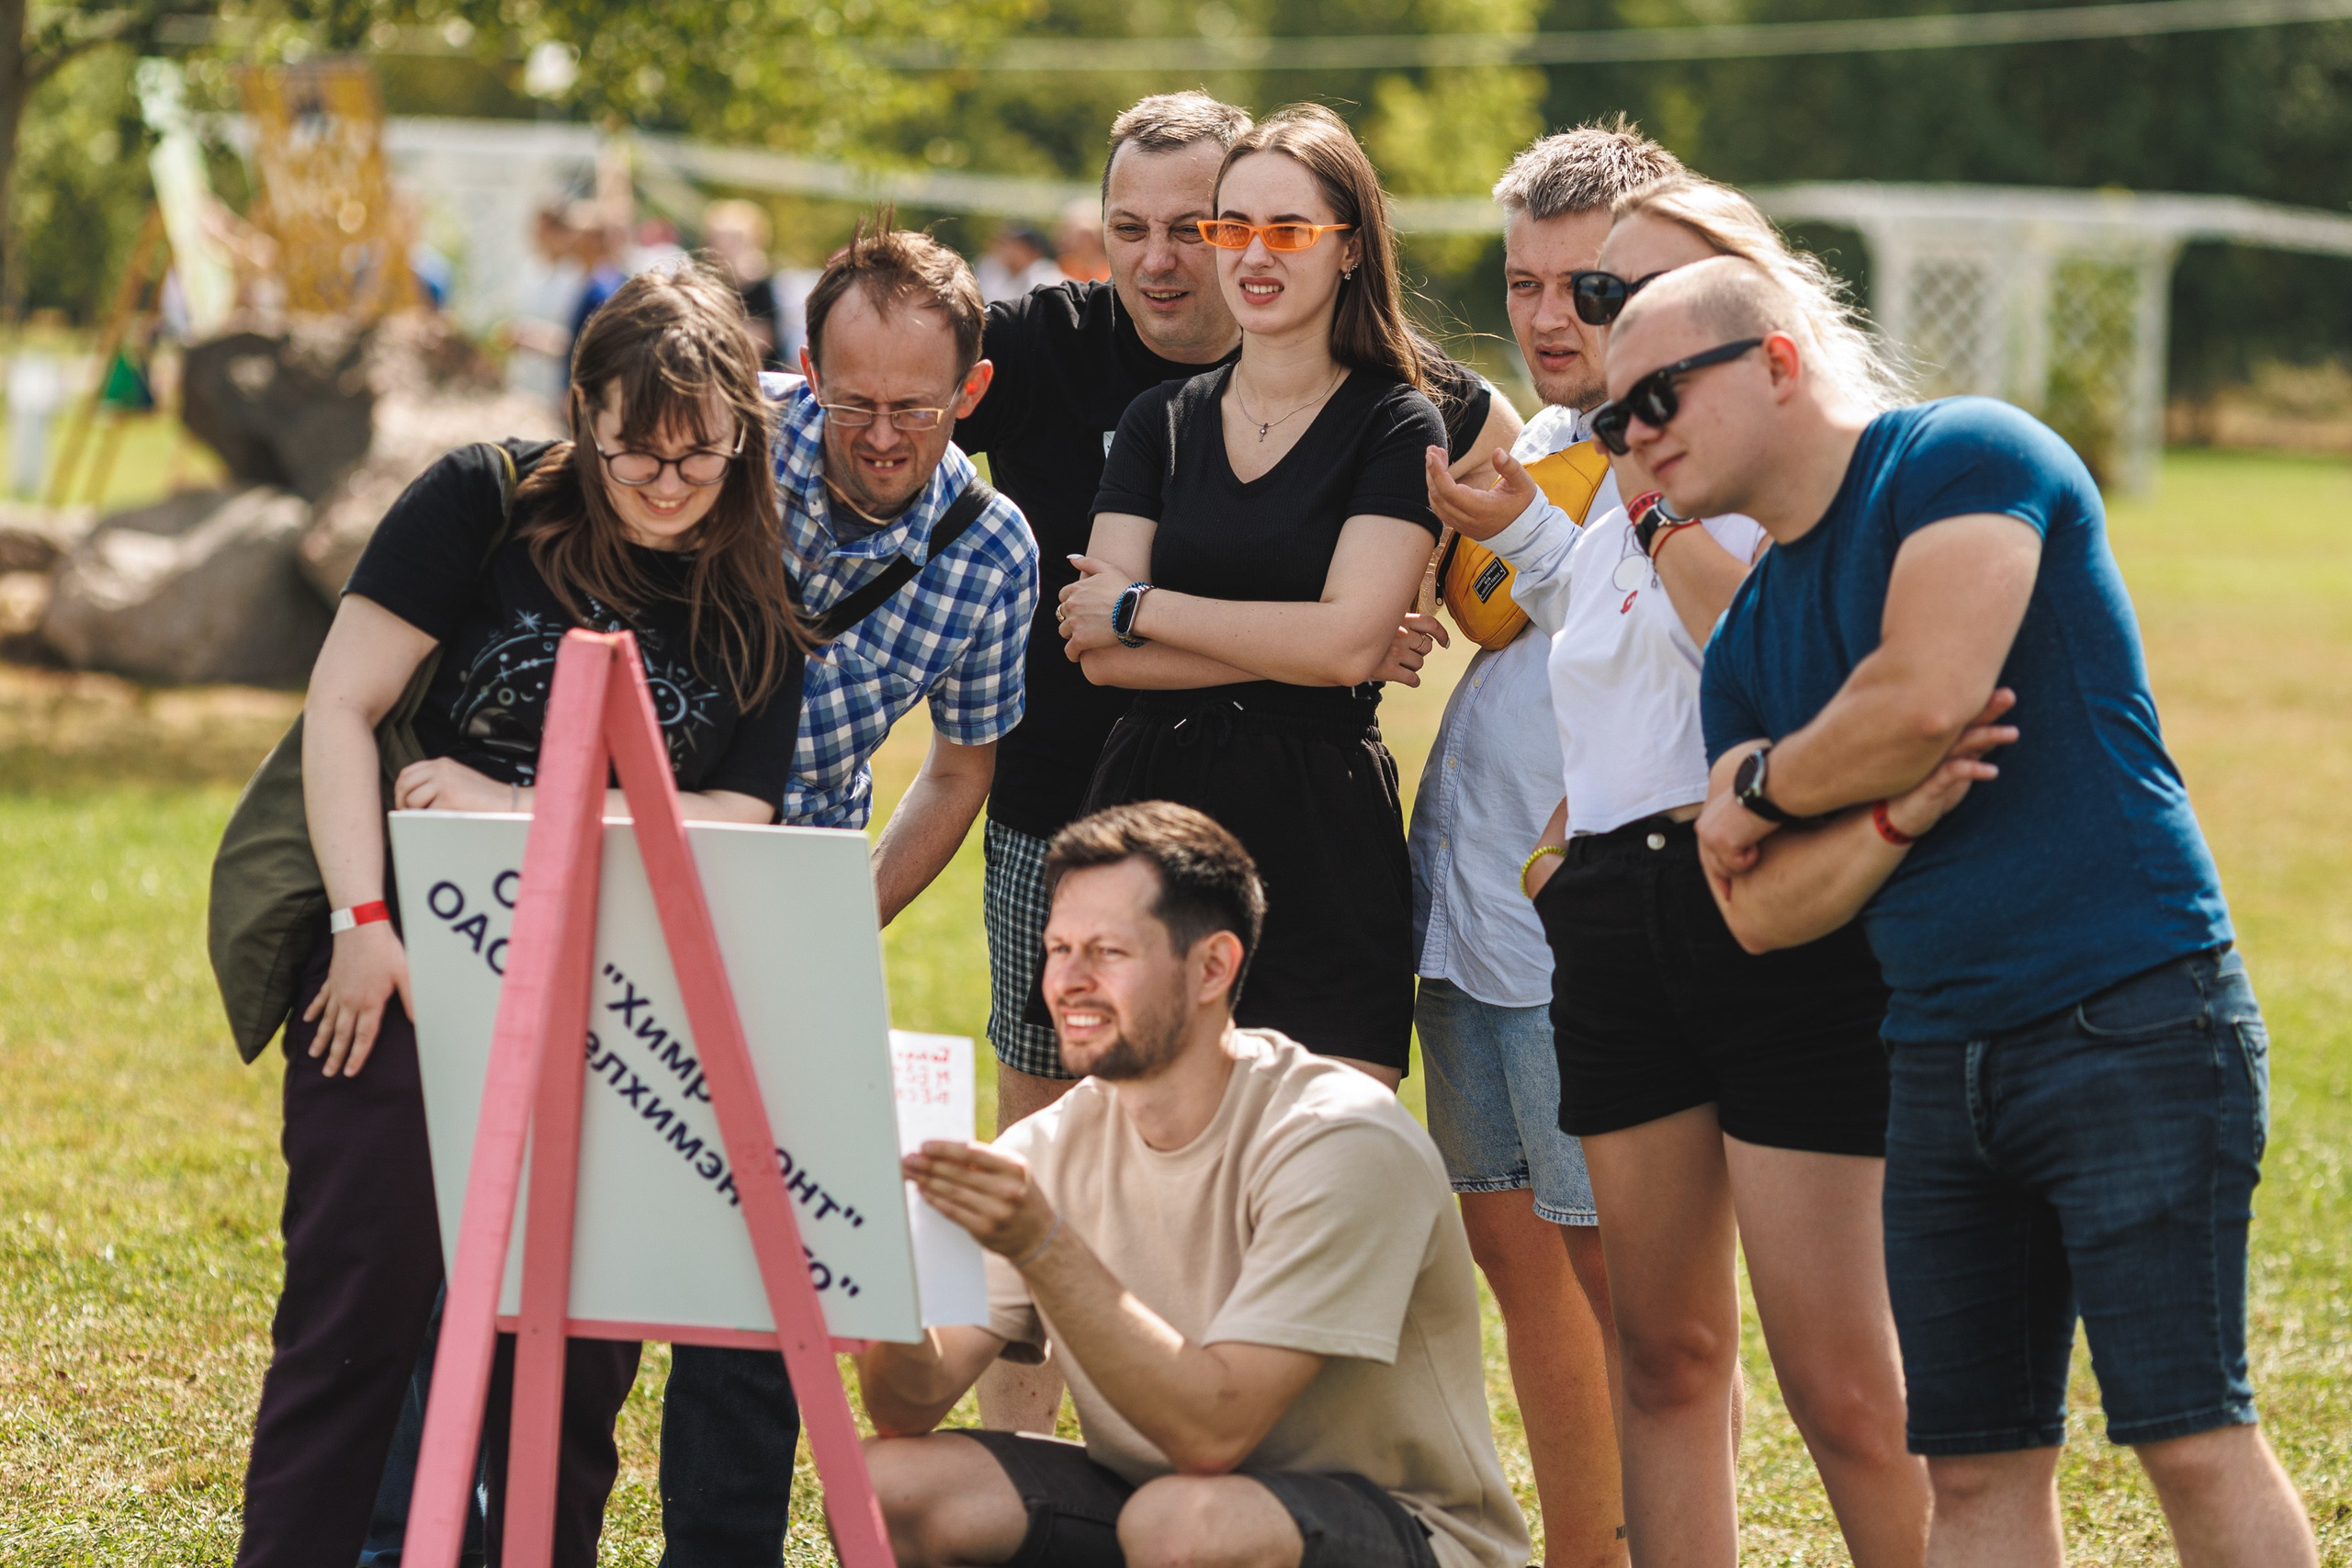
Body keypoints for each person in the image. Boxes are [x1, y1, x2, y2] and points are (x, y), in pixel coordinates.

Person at [1622, 256, 2319, 1567]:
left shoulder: (1962, 455)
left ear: (1776, 360)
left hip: (2132, 1015)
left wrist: (1763, 787)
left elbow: (1924, 697)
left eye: (1656, 393)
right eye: (1615, 419)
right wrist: (1888, 817)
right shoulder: (1755, 626)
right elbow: (1764, 912)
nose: (1635, 437)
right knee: (1977, 1474)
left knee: (2187, 1431)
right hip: (1936, 1061)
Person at [234, 263, 810, 1568]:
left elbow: (737, 816)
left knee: (577, 1347)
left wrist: (515, 802)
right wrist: (360, 918)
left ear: (743, 433)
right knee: (354, 1318)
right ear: (582, 412)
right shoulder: (478, 504)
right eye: (634, 453)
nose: (668, 485)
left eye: (700, 456)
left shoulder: (755, 588)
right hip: (402, 969)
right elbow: (342, 705)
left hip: (614, 1007)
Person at [1429, 174, 1933, 1568]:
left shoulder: (1829, 455)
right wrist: (1566, 844)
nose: (1593, 319)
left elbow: (1776, 662)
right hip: (1616, 916)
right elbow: (1607, 672)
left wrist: (1644, 506)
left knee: (1842, 1375)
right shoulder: (1614, 472)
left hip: (1774, 909)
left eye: (1615, 287)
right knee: (1660, 1349)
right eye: (1593, 294)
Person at [656, 214, 1042, 1567]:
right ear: (802, 371)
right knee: (589, 1238)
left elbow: (962, 763)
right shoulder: (720, 439)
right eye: (854, 401)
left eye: (916, 410)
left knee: (767, 1268)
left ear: (970, 395)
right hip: (633, 854)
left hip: (797, 892)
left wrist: (846, 910)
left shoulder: (994, 552)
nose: (881, 435)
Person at [857, 800, 1532, 1568]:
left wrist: (1045, 1244)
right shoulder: (1049, 1144)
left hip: (1407, 1534)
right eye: (1058, 948)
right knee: (895, 1486)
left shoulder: (1339, 1137)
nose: (1069, 982)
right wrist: (887, 1274)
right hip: (1169, 1506)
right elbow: (906, 1404)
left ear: (1213, 965)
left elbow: (1215, 1434)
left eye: (1108, 952)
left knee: (1185, 1525)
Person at [1058, 103, 1471, 1091]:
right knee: (1144, 1182)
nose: (1251, 254)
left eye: (1286, 230)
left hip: (1320, 835)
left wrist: (1143, 604)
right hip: (1151, 818)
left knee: (1318, 1171)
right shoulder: (1156, 419)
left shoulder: (1396, 422)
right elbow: (1099, 650)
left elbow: (1339, 646)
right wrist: (1322, 641)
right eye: (1229, 226)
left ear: (1351, 251)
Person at [1407, 121, 1688, 1568]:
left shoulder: (1684, 448)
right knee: (1519, 1262)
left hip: (1584, 925)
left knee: (1626, 1283)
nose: (1543, 314)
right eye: (1522, 280)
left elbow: (1666, 643)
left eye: (1583, 285)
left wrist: (1519, 531)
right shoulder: (1550, 440)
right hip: (1468, 915)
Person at [703, 198, 786, 368]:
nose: (723, 245)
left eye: (733, 239)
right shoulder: (712, 284)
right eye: (718, 238)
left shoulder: (761, 285)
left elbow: (759, 342)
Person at [977, 220, 1062, 304]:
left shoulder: (1046, 277)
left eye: (1016, 247)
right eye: (1007, 244)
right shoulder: (991, 268)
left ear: (1033, 251)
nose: (1009, 251)